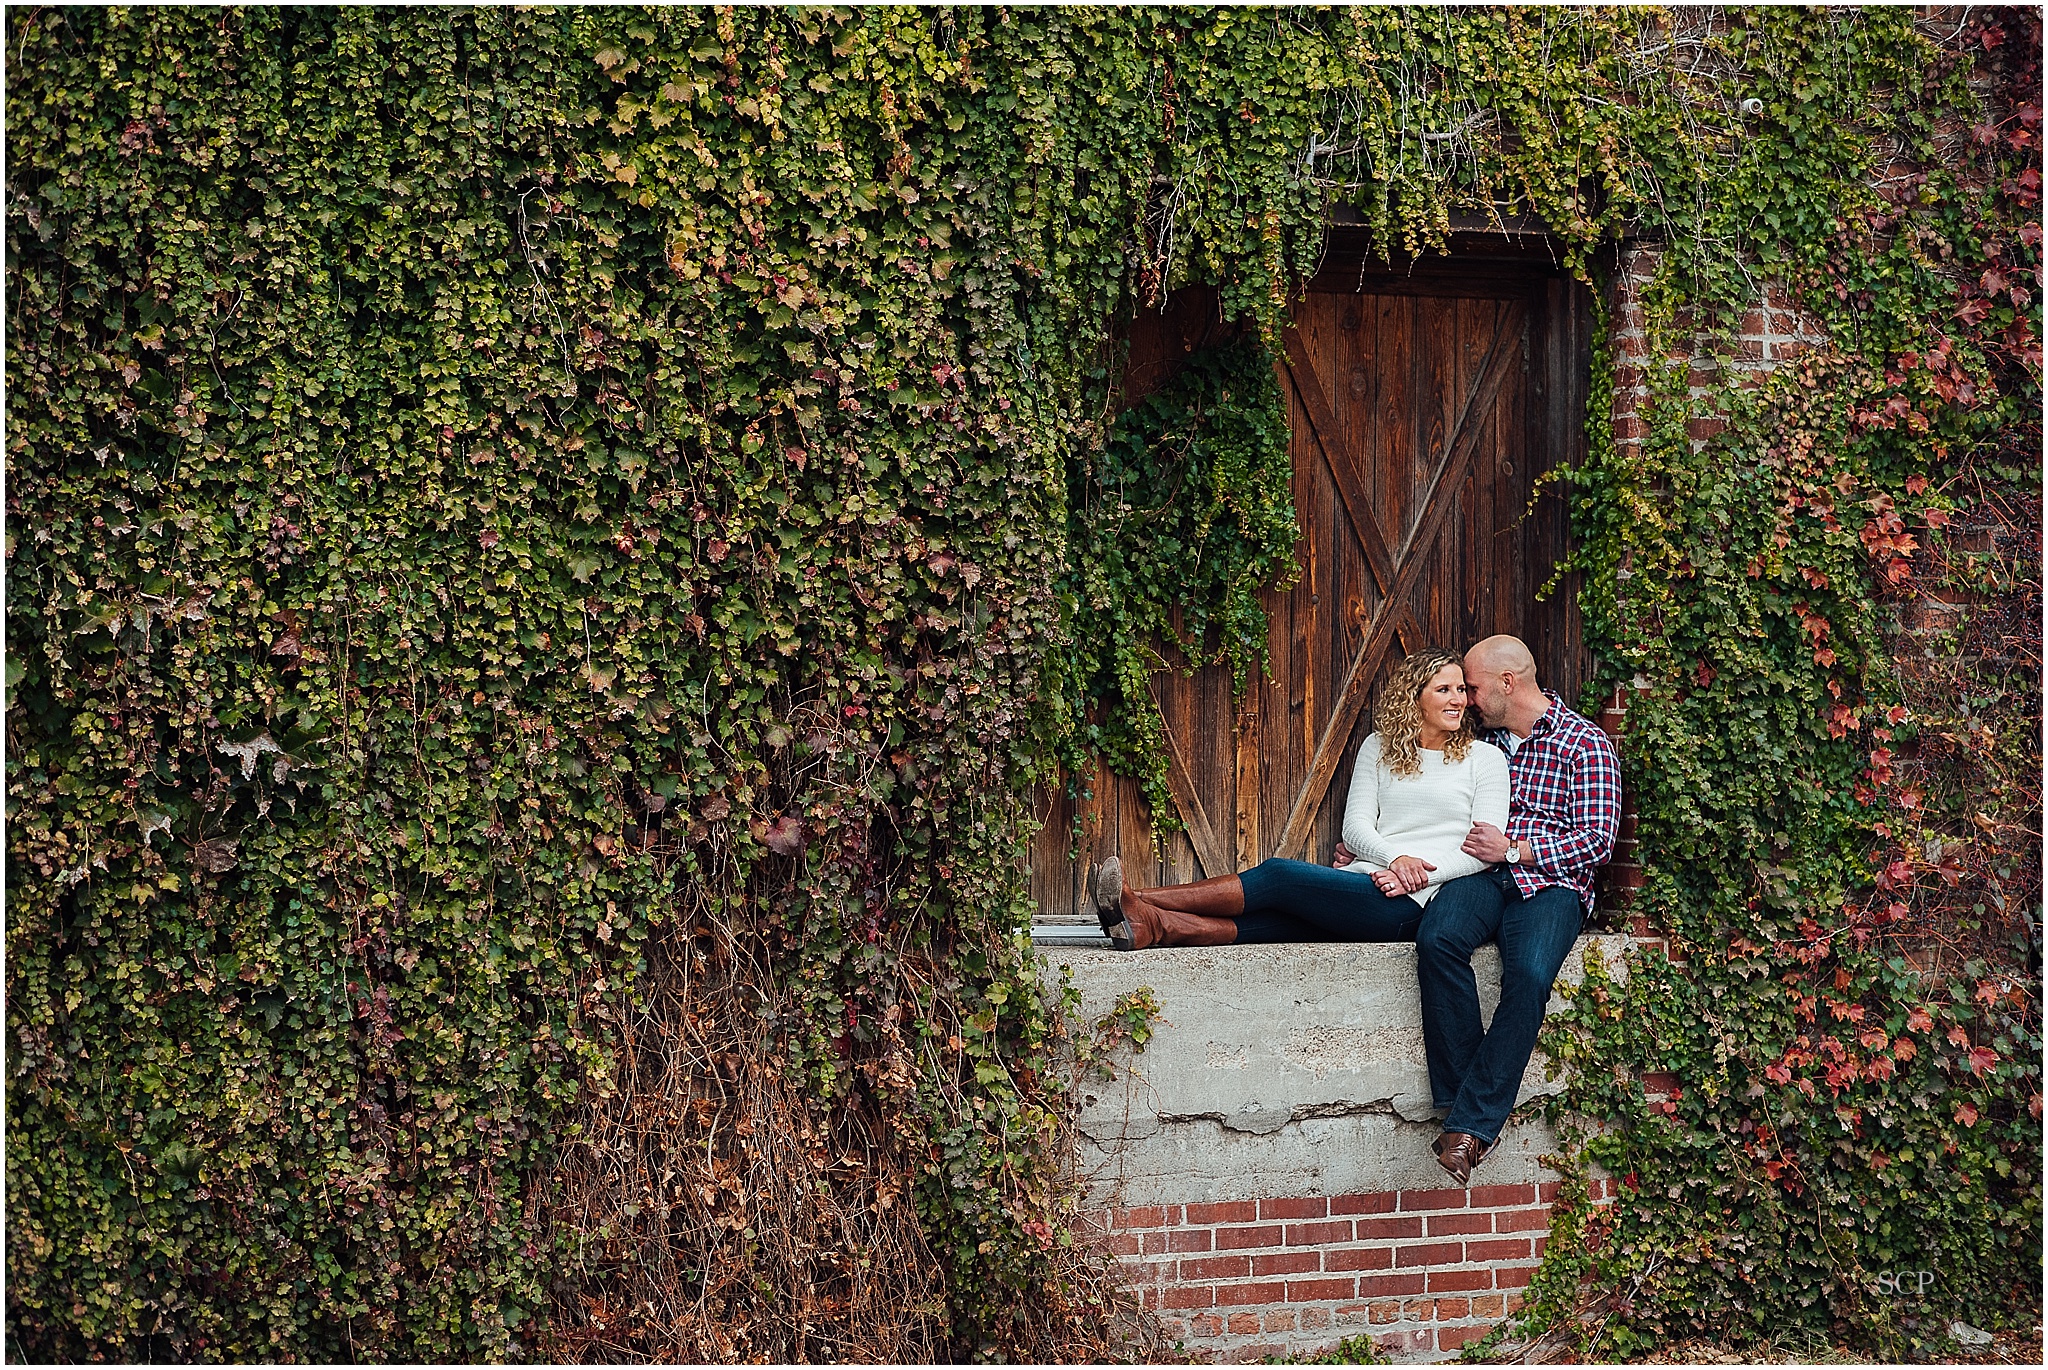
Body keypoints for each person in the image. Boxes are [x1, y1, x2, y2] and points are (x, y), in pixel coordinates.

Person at [1092, 649, 1509, 950]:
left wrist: (1418, 875)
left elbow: (1481, 853)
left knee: (1279, 876)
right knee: (1274, 922)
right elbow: (1356, 828)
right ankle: (1150, 927)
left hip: (1411, 903)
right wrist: (1394, 858)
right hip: (1367, 878)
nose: (1458, 700)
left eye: (1461, 689)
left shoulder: (1485, 760)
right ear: (1413, 696)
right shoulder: (1377, 747)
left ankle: (1139, 899)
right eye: (1444, 689)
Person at [1397, 634, 1621, 1185]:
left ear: (1507, 683)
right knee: (1437, 940)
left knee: (1528, 975)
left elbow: (1597, 841)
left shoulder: (1584, 744)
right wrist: (1376, 842)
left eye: (1472, 687)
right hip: (1480, 874)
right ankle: (1464, 1102)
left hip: (1553, 885)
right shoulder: (1479, 743)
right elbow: (1427, 797)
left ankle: (1470, 1128)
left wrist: (1517, 850)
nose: (1466, 699)